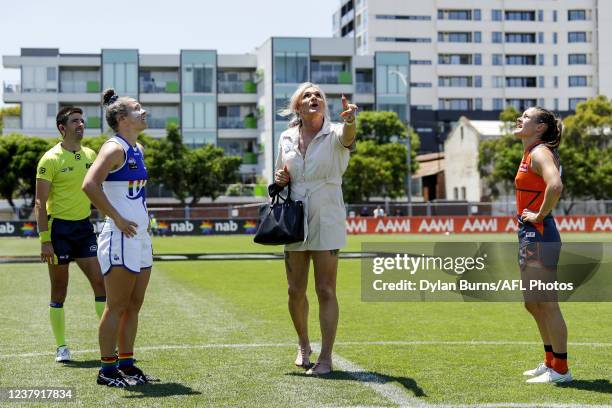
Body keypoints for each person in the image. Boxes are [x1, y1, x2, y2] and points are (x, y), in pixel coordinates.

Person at [274, 83, 357, 375]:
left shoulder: (336, 132)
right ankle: (303, 344)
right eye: (307, 96)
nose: (314, 98)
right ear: (298, 106)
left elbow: (348, 139)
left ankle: (326, 358)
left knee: (325, 289)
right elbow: (282, 174)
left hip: (328, 214)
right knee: (295, 290)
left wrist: (350, 121)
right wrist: (281, 179)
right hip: (294, 217)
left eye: (318, 95)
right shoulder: (285, 136)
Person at [82, 89, 156, 387]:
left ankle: (127, 364)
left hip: (139, 238)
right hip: (119, 237)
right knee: (117, 304)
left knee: (134, 303)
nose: (144, 112)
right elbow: (89, 185)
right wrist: (116, 217)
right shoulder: (114, 148)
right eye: (138, 108)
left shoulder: (135, 147)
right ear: (122, 118)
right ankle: (107, 370)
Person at [35, 106, 106, 363]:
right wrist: (45, 241)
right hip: (59, 231)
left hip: (84, 229)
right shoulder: (50, 159)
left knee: (101, 283)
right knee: (59, 290)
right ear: (62, 128)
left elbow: (99, 189)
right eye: (75, 121)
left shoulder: (91, 154)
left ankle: (109, 345)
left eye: (82, 121)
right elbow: (40, 203)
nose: (81, 125)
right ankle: (62, 347)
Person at [513, 106, 571, 383]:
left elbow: (555, 185)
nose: (519, 119)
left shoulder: (539, 153)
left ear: (540, 128)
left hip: (539, 233)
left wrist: (539, 214)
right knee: (532, 303)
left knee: (546, 303)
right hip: (530, 233)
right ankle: (550, 362)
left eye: (526, 117)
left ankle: (561, 368)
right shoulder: (530, 152)